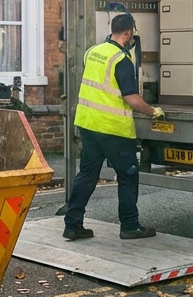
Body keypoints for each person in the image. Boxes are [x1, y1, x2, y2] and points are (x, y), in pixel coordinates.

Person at [65, 13, 164, 241]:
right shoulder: (122, 59)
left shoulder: (92, 52)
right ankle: (129, 226)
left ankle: (72, 224)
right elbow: (132, 99)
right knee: (127, 176)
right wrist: (153, 111)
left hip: (88, 125)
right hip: (114, 130)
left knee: (87, 174)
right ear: (128, 33)